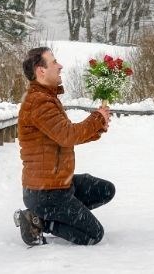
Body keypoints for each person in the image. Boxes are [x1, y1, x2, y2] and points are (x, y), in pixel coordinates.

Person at [13, 47, 115, 246]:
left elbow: (64, 135)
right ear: (40, 70)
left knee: (105, 190)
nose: (60, 66)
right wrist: (96, 119)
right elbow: (67, 136)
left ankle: (57, 214)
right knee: (93, 234)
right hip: (45, 193)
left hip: (59, 184)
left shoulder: (46, 98)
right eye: (54, 62)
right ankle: (41, 221)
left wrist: (98, 126)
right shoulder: (39, 102)